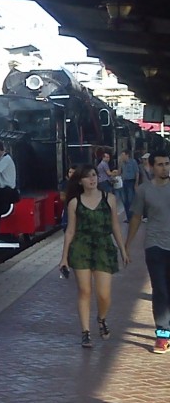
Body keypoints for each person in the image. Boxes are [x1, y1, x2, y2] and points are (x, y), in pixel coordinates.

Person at [59, 166, 129, 347]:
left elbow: (115, 226)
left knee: (104, 294)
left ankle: (101, 318)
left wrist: (123, 249)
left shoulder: (109, 199)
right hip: (81, 247)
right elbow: (70, 231)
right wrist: (64, 257)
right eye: (88, 177)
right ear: (80, 181)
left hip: (104, 247)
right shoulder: (75, 202)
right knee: (84, 291)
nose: (92, 179)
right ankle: (85, 332)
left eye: (94, 176)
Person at [125, 152, 170, 353]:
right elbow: (135, 218)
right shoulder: (144, 191)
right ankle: (163, 334)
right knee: (160, 290)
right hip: (155, 246)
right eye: (160, 164)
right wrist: (127, 245)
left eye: (167, 164)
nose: (165, 168)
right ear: (151, 167)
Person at [118, 149, 139, 221]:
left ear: (127, 155)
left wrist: (136, 183)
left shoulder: (133, 162)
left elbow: (137, 173)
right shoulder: (122, 163)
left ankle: (133, 216)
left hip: (131, 182)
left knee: (130, 200)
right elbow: (119, 173)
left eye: (123, 155)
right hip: (125, 182)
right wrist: (120, 165)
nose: (122, 157)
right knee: (125, 200)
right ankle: (128, 217)